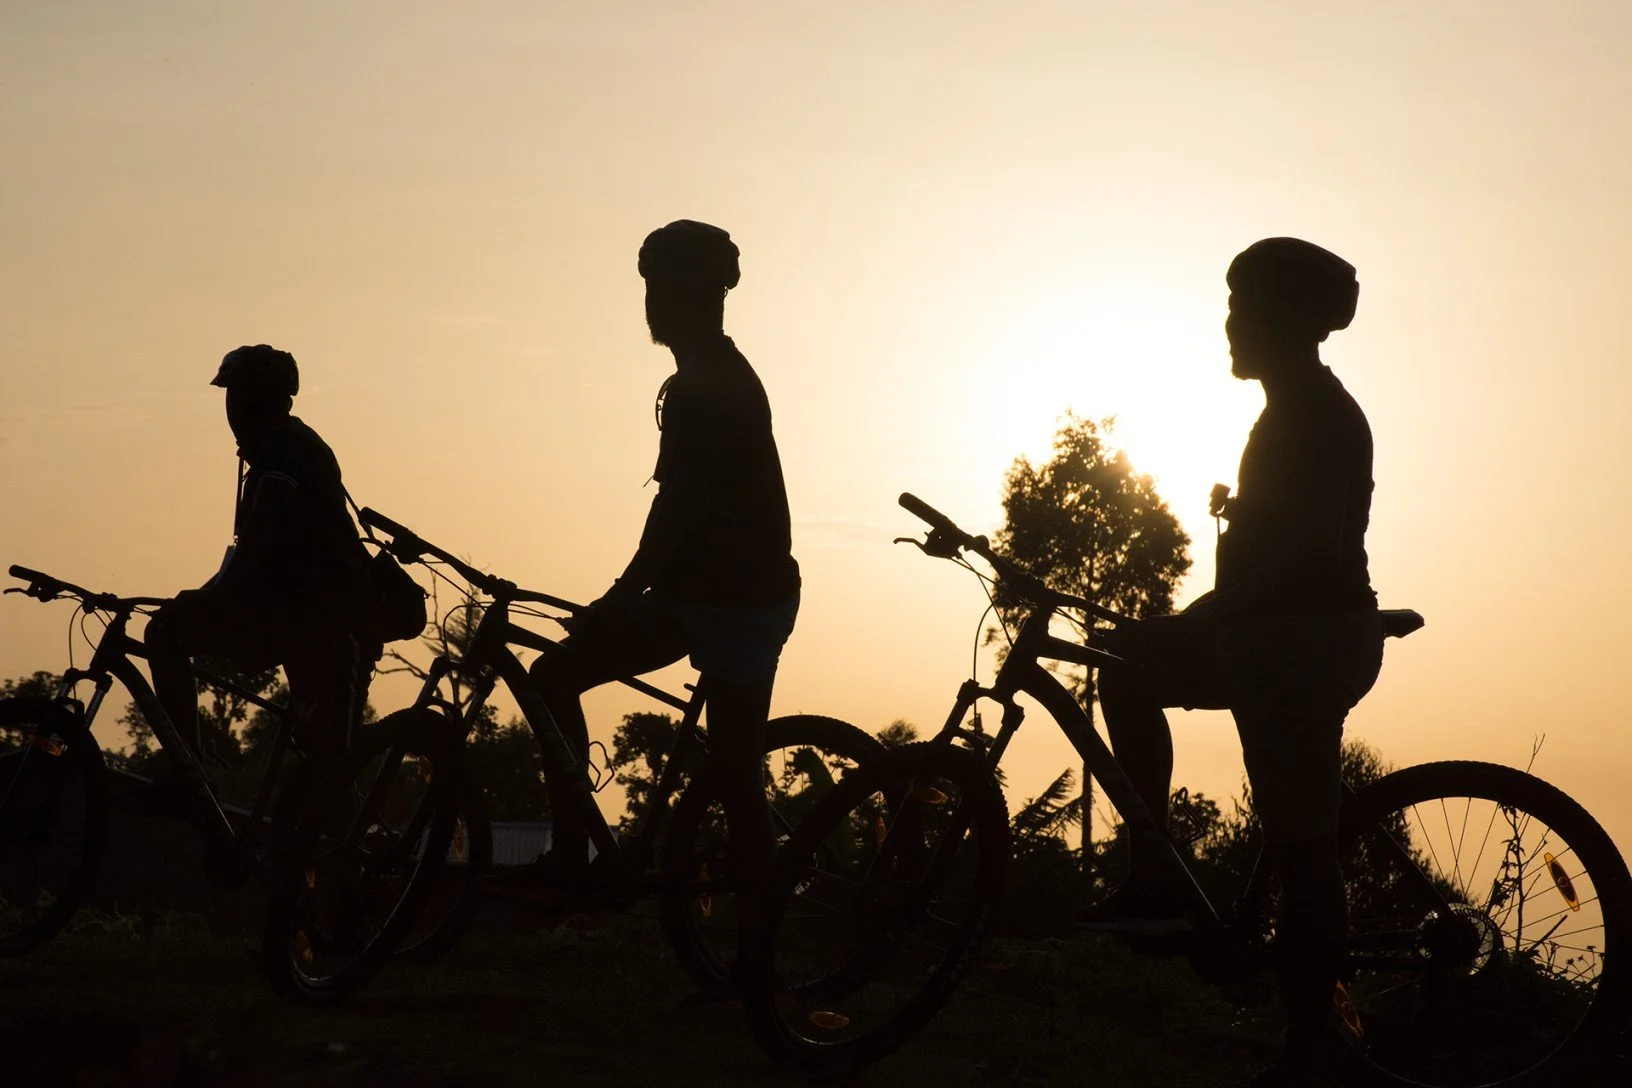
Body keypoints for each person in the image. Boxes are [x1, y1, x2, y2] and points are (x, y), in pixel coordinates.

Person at [1081, 239, 1385, 1087]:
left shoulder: (1319, 416)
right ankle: (1155, 886)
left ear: (1285, 318)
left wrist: (1203, 616)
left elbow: (1309, 556)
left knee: (1304, 854)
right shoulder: (1286, 410)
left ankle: (1314, 1046)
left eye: (1242, 309)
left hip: (1303, 648)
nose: (1227, 325)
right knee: (1128, 670)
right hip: (1266, 642)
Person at [502, 222, 800, 938]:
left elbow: (679, 510)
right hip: (703, 592)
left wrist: (620, 595)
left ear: (693, 293)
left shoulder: (710, 385)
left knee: (731, 773)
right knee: (558, 680)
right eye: (650, 285)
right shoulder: (705, 374)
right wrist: (632, 592)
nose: (652, 301)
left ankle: (759, 943)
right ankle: (576, 860)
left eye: (661, 286)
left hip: (737, 602)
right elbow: (678, 513)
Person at [138, 346, 374, 848]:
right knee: (167, 630)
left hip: (326, 623)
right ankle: (190, 777)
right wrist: (212, 596)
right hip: (290, 614)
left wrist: (217, 596)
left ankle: (357, 883)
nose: (231, 410)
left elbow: (266, 528)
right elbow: (256, 556)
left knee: (330, 765)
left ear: (264, 401)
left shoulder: (285, 451)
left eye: (238, 396)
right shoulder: (273, 450)